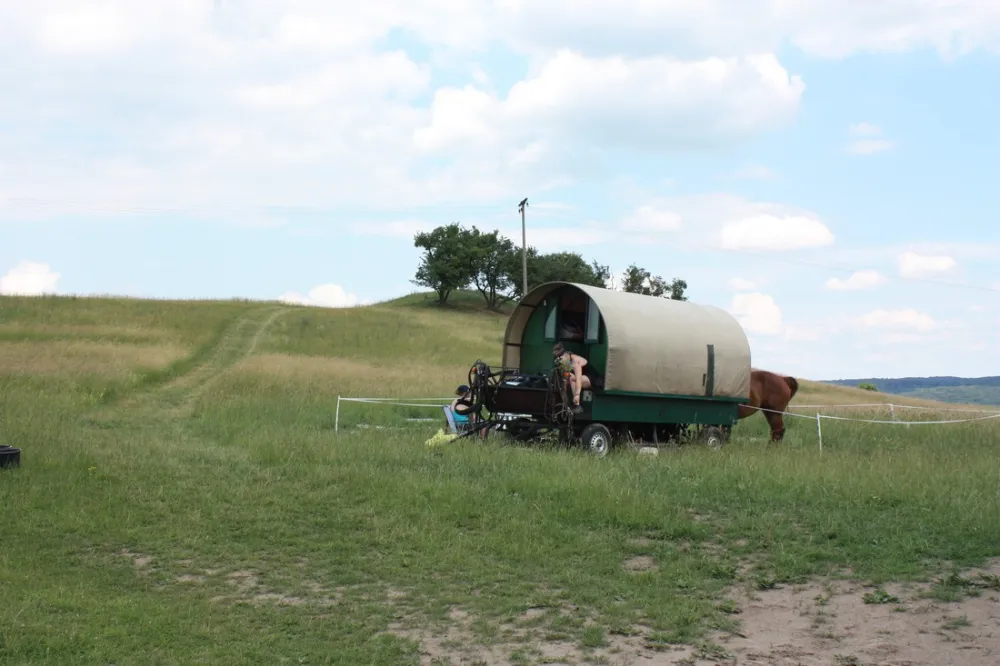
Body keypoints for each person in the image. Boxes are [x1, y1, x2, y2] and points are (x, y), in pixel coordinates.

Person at [552, 342, 590, 409]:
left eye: (560, 358)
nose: (559, 361)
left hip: (589, 378)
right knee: (568, 378)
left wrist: (577, 395)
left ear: (565, 355)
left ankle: (577, 405)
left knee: (572, 379)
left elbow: (578, 379)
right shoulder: (565, 363)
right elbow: (565, 379)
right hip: (577, 379)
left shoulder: (575, 361)